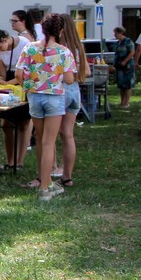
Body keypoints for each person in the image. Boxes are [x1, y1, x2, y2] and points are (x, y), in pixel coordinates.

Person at [16, 13, 75, 202]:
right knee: (49, 142)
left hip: (34, 97)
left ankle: (46, 181)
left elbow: (19, 74)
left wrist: (28, 86)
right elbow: (69, 79)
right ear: (61, 31)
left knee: (41, 140)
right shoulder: (64, 52)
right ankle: (44, 189)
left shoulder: (29, 48)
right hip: (54, 98)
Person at [0, 27, 32, 171]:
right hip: (10, 87)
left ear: (5, 40)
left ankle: (19, 161)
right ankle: (10, 161)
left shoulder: (24, 44)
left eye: (0, 47)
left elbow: (28, 71)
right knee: (6, 124)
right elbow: (2, 73)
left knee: (24, 123)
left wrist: (9, 82)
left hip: (24, 83)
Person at [54, 13, 89, 188]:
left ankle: (49, 170)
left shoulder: (59, 48)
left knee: (47, 135)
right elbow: (87, 72)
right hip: (75, 91)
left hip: (60, 91)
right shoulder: (78, 46)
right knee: (67, 134)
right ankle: (67, 176)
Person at [111, 26, 136, 109]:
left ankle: (126, 102)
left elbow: (132, 52)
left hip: (127, 66)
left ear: (121, 33)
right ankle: (122, 102)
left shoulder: (128, 41)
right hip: (119, 66)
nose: (114, 35)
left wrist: (125, 61)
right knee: (121, 84)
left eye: (116, 33)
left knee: (127, 84)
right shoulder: (117, 43)